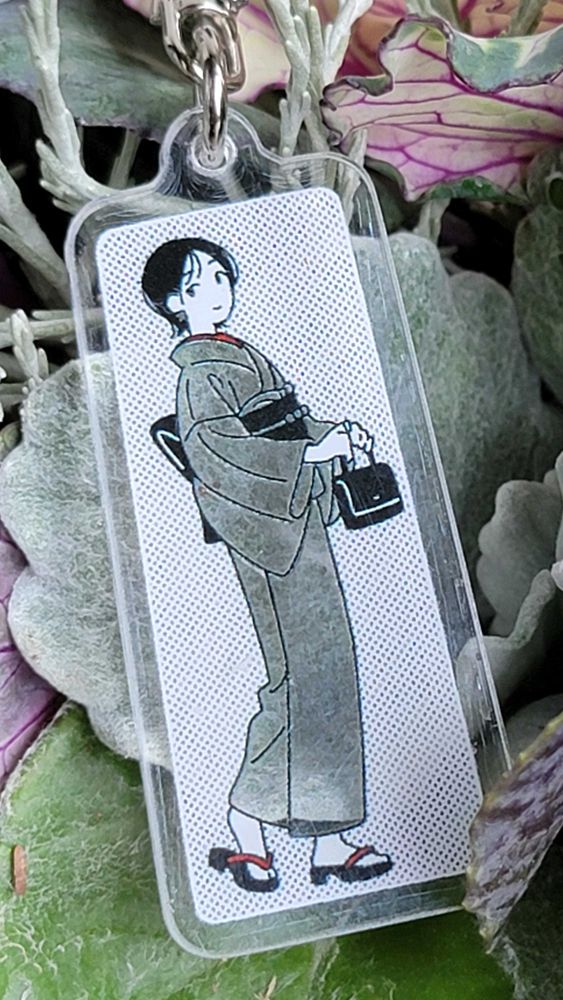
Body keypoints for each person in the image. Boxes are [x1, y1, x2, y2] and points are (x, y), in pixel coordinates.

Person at [142, 237, 393, 893]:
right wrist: (308, 456)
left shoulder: (239, 354)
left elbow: (285, 422)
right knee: (296, 678)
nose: (215, 291)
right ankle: (247, 827)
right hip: (267, 536)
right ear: (172, 303)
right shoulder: (198, 375)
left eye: (220, 276)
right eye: (197, 285)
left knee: (326, 675)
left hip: (295, 523)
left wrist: (330, 435)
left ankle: (324, 838)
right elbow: (221, 456)